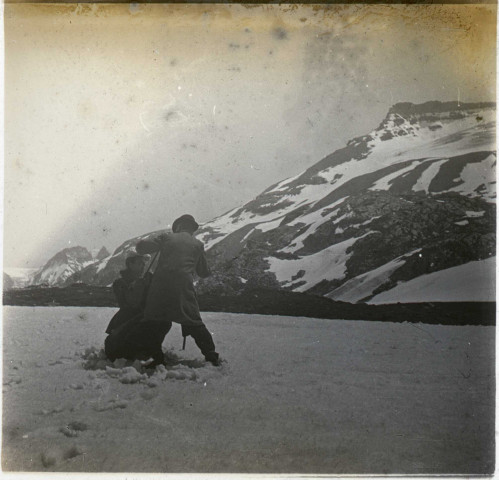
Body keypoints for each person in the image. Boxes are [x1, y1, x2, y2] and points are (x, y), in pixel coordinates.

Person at [136, 214, 221, 367]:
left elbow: (141, 248)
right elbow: (203, 272)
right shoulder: (198, 244)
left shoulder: (167, 237)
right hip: (183, 287)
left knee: (154, 320)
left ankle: (155, 357)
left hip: (160, 286)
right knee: (193, 321)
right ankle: (211, 354)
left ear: (179, 226)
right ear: (191, 229)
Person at [104, 254, 153, 361]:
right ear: (130, 264)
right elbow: (130, 304)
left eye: (144, 264)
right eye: (139, 263)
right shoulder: (120, 283)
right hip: (126, 319)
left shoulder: (144, 281)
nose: (143, 266)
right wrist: (140, 286)